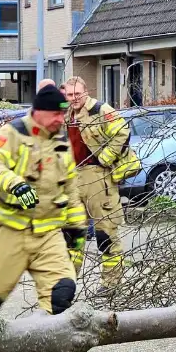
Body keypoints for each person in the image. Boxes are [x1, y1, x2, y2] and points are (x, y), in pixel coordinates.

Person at [0, 85, 88, 352]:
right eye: (55, 115)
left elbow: (71, 188)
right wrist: (16, 185)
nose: (61, 120)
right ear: (38, 112)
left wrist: (76, 229)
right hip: (7, 228)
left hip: (47, 232)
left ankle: (50, 350)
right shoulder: (12, 133)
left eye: (63, 115)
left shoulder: (60, 140)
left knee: (61, 290)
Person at [63, 76, 139, 293]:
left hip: (98, 178)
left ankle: (111, 285)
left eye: (78, 94)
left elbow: (123, 132)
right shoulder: (68, 114)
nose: (74, 98)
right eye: (70, 95)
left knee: (105, 233)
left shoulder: (100, 109)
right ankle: (66, 286)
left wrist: (105, 158)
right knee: (71, 236)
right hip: (74, 177)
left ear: (86, 92)